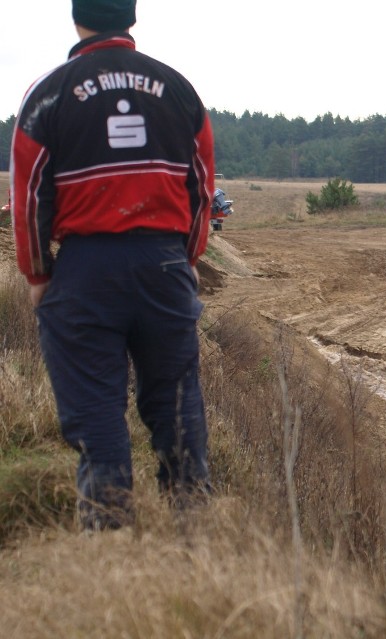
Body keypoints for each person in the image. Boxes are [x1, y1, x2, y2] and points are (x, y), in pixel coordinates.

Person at [11, 0, 215, 530]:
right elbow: (202, 190)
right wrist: (187, 259)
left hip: (84, 269)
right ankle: (194, 529)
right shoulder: (178, 89)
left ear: (76, 19)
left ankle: (110, 539)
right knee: (175, 405)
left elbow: (30, 195)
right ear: (132, 17)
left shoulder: (48, 93)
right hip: (164, 267)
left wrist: (37, 274)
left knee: (98, 411)